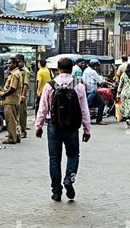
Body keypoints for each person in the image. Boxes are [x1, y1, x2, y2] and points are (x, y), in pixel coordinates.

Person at [35, 57, 91, 202]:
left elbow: (43, 108)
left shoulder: (50, 86)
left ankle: (56, 192)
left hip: (54, 126)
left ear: (58, 69)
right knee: (73, 155)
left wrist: (38, 126)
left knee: (54, 159)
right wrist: (87, 129)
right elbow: (84, 110)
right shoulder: (78, 86)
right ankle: (69, 179)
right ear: (72, 69)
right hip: (72, 127)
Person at [1, 57, 22, 144]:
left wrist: (4, 94)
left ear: (14, 64)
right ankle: (16, 136)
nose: (8, 65)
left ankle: (12, 138)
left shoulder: (14, 74)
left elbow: (12, 88)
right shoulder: (16, 73)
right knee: (14, 119)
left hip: (11, 100)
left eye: (10, 63)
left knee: (10, 120)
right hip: (14, 100)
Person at [82, 59, 109, 125]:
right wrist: (107, 82)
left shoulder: (86, 70)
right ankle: (98, 120)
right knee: (100, 104)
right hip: (92, 91)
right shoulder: (93, 72)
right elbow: (100, 80)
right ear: (94, 65)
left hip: (87, 90)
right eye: (96, 66)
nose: (97, 67)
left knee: (87, 105)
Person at [16, 54, 30, 138]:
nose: (18, 63)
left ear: (23, 62)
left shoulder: (25, 71)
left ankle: (23, 131)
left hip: (21, 95)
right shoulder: (17, 70)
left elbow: (26, 85)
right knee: (16, 114)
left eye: (19, 62)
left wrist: (23, 96)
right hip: (16, 95)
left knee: (22, 114)